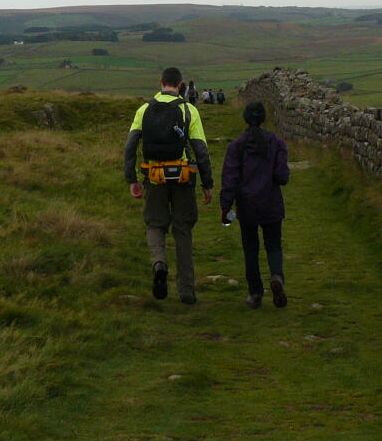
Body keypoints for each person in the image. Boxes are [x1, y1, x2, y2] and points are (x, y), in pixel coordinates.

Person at [124, 67, 214, 304]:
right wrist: (207, 183)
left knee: (155, 224)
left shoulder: (144, 110)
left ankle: (159, 264)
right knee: (183, 229)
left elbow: (130, 148)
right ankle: (186, 291)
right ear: (181, 84)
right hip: (183, 177)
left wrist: (132, 179)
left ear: (161, 82)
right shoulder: (189, 110)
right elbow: (201, 151)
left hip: (154, 177)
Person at [219, 101, 291, 308]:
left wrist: (226, 206)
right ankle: (277, 277)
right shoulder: (276, 143)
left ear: (245, 118)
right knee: (274, 245)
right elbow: (282, 177)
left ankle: (255, 293)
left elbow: (230, 179)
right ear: (264, 118)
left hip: (247, 206)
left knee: (250, 248)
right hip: (271, 203)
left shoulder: (237, 146)